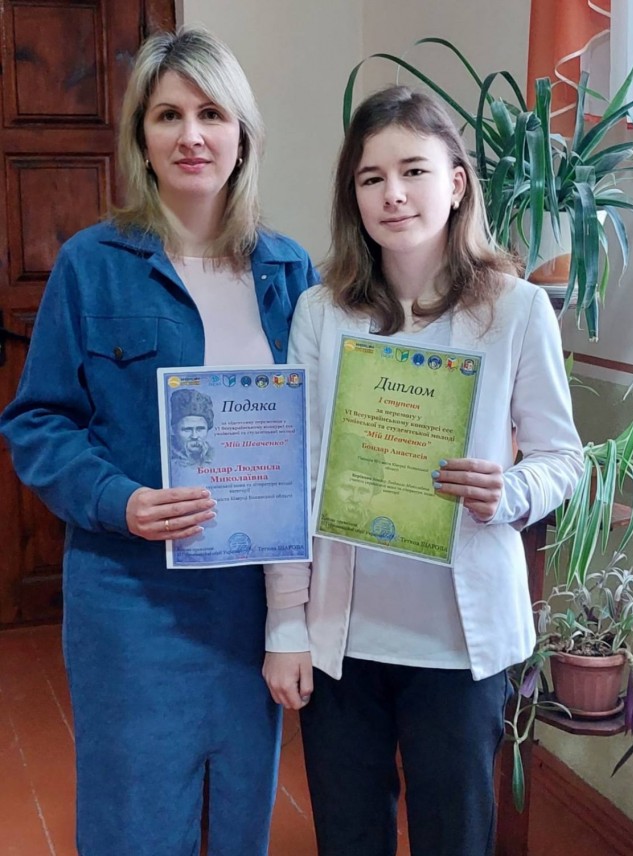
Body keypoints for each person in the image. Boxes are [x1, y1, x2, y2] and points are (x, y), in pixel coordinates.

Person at [0, 26, 317, 856]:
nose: (191, 135)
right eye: (168, 115)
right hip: (131, 597)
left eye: (212, 113)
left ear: (242, 133)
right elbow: (37, 421)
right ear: (140, 136)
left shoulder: (291, 272)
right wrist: (122, 500)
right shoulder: (90, 265)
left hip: (253, 597)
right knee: (133, 821)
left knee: (239, 816)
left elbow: (319, 431)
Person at [262, 85, 583, 856]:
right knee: (349, 837)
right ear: (353, 196)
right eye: (371, 178)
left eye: (413, 170)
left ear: (457, 182)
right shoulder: (322, 312)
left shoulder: (516, 310)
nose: (393, 195)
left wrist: (511, 491)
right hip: (343, 639)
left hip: (458, 647)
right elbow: (292, 478)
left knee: (455, 838)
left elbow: (562, 457)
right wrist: (286, 622)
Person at [170, 387, 216, 466]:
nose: (194, 436)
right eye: (187, 429)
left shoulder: (213, 457)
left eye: (200, 429)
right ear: (174, 430)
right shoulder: (167, 457)